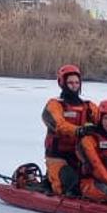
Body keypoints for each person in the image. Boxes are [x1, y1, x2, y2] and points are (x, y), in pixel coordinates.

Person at [41, 64, 97, 195]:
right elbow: (59, 125)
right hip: (57, 156)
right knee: (69, 183)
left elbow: (104, 120)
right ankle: (52, 179)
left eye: (77, 82)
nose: (74, 86)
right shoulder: (54, 105)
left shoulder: (88, 107)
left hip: (81, 157)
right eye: (70, 82)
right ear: (62, 83)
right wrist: (80, 130)